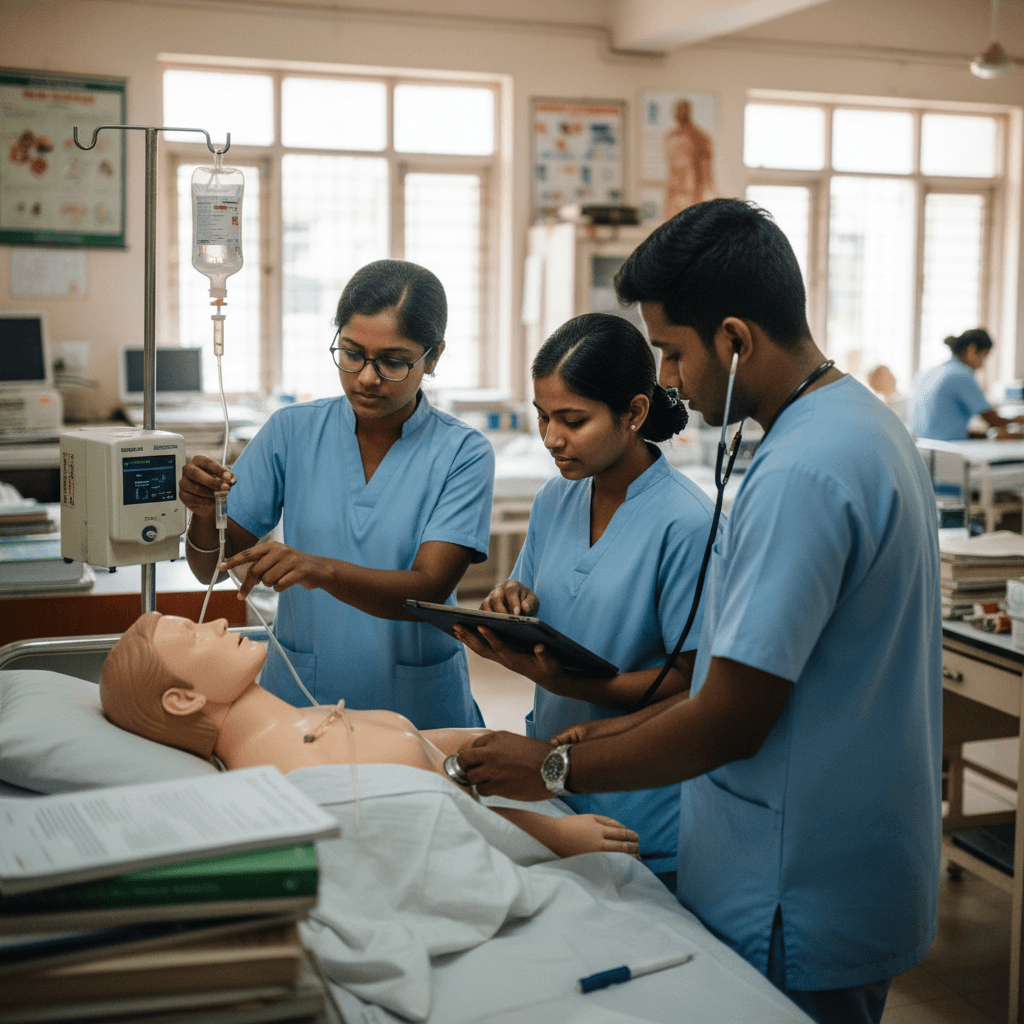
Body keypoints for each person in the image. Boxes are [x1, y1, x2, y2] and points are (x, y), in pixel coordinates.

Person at [452, 198, 942, 1024]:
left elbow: (728, 718)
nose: (669, 380)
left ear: (735, 339)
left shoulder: (798, 476)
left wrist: (553, 768)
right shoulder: (863, 426)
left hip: (794, 881)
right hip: (851, 857)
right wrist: (592, 734)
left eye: (673, 353)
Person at [179, 260, 495, 730]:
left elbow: (429, 589)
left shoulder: (462, 452)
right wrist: (205, 515)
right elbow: (212, 567)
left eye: (392, 361)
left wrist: (320, 569)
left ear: (433, 357)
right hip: (303, 697)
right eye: (351, 353)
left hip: (419, 710)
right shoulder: (292, 432)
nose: (367, 377)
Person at [459, 311, 714, 888]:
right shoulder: (557, 498)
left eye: (573, 420)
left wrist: (559, 681)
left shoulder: (685, 523)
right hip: (552, 780)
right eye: (543, 417)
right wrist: (512, 601)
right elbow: (535, 593)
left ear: (635, 413)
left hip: (642, 803)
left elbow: (689, 683)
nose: (551, 438)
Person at [99, 612, 640, 862]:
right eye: (192, 635)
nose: (217, 623)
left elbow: (415, 751)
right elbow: (435, 826)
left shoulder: (299, 727)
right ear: (182, 700)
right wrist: (556, 838)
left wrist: (503, 745)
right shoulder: (292, 772)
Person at [908, 328, 1024, 440]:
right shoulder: (961, 374)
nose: (982, 365)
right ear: (972, 350)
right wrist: (1019, 420)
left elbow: (937, 429)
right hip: (946, 448)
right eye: (984, 357)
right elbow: (992, 420)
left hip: (923, 446)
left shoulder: (929, 371)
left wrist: (985, 435)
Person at [663, 100, 715, 219]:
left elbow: (706, 167)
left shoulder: (700, 137)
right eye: (677, 111)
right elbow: (671, 167)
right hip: (673, 192)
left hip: (691, 192)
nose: (678, 115)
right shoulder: (671, 137)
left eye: (681, 111)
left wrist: (710, 189)